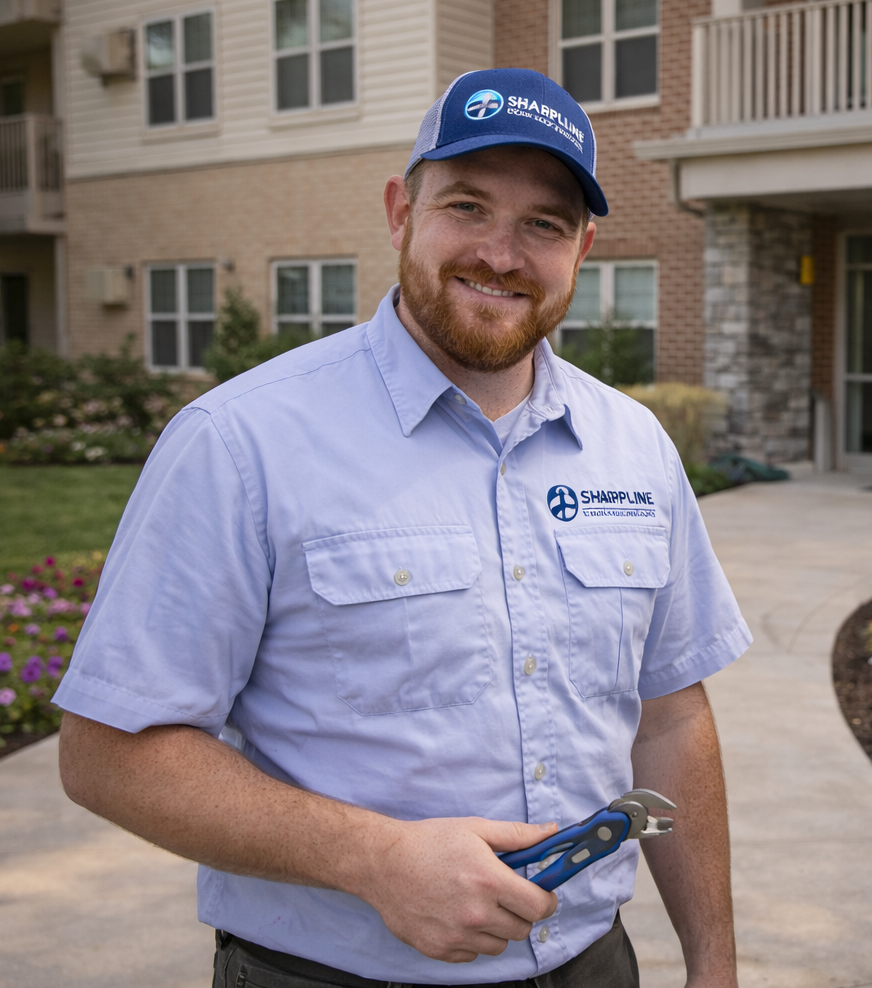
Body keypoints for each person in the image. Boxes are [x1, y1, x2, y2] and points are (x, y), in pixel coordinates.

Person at [54, 68, 750, 988]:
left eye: (543, 223)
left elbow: (668, 718)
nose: (502, 253)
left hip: (592, 963)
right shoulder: (242, 442)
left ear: (582, 247)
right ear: (400, 211)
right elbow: (108, 754)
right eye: (467, 206)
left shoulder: (634, 448)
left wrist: (715, 964)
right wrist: (370, 857)